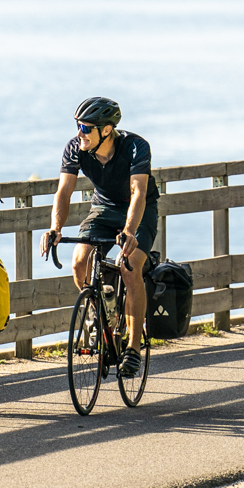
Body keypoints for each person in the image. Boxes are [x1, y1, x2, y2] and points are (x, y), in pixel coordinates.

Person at [41, 96, 159, 377]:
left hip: (138, 211)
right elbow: (64, 191)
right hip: (103, 209)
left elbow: (138, 193)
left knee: (130, 268)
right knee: (79, 262)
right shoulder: (75, 147)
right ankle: (100, 311)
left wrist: (129, 231)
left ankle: (133, 348)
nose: (79, 133)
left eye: (85, 128)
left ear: (106, 130)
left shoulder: (135, 147)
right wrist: (55, 228)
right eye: (78, 126)